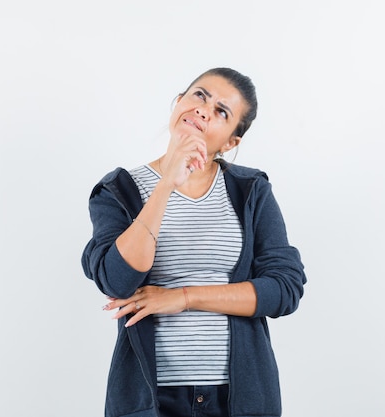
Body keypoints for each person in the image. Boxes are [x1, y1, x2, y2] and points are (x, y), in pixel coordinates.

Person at [81, 67, 307, 417]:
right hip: (150, 399)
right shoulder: (118, 190)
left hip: (238, 398)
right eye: (199, 95)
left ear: (231, 141)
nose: (204, 109)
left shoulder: (251, 191)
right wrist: (166, 182)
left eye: (222, 112)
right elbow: (118, 279)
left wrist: (183, 298)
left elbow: (284, 289)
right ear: (178, 102)